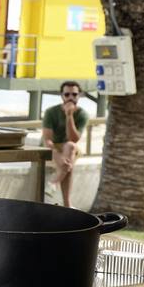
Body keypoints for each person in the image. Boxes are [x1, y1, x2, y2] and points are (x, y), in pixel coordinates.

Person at [41, 80, 89, 208]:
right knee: (68, 164)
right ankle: (67, 204)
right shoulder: (51, 112)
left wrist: (69, 116)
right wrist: (59, 156)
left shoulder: (82, 114)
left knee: (70, 147)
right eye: (67, 94)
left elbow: (73, 139)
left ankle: (54, 182)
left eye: (74, 94)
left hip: (69, 148)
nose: (71, 98)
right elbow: (47, 140)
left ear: (79, 95)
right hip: (52, 148)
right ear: (62, 96)